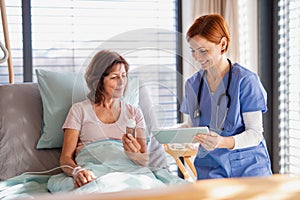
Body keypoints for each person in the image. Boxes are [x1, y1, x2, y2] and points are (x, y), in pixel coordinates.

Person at [180, 14, 272, 179]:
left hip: (249, 168)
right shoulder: (192, 85)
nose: (197, 57)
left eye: (203, 51)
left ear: (222, 44)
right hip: (210, 167)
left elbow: (255, 133)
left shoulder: (245, 80)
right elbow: (192, 126)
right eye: (193, 51)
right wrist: (171, 134)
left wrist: (221, 142)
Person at [59, 50, 149, 188]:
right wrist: (77, 171)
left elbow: (144, 161)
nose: (121, 83)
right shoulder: (79, 111)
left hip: (129, 173)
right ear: (98, 81)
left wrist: (135, 153)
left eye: (123, 76)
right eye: (114, 77)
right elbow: (65, 158)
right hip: (94, 172)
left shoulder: (134, 113)